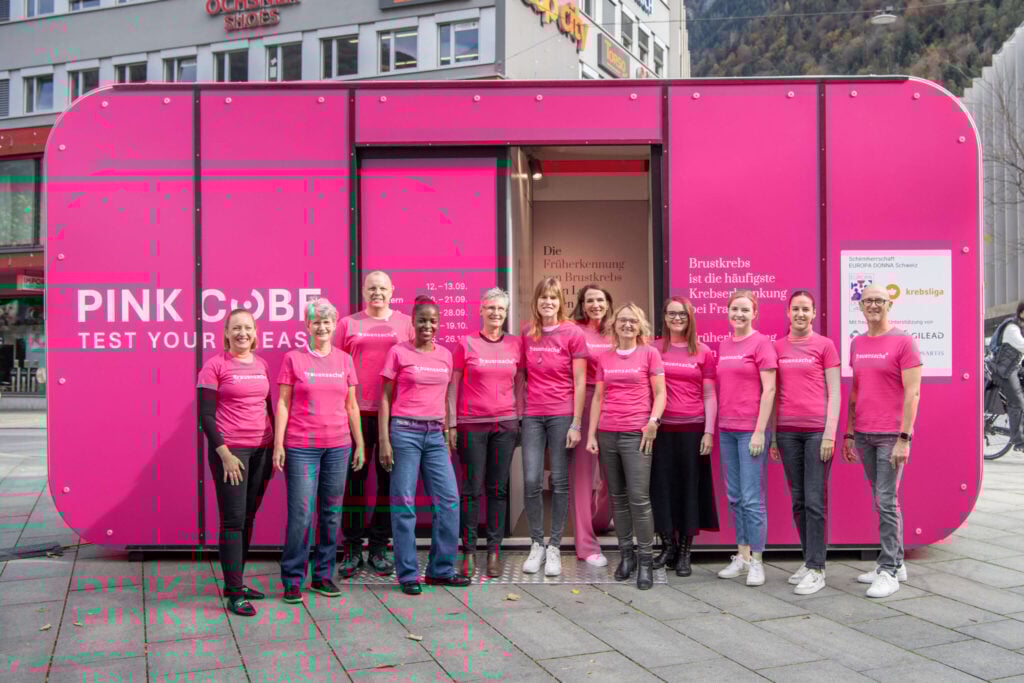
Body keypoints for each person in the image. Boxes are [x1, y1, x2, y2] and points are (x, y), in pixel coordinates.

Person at [274, 298, 365, 603]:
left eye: (327, 322)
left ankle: (323, 575)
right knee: (301, 514)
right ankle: (292, 578)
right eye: (316, 322)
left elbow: (351, 405)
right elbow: (283, 403)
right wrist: (279, 443)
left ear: (334, 324)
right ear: (307, 326)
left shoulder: (344, 360)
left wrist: (360, 443)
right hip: (301, 447)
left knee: (331, 514)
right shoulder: (294, 359)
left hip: (338, 447)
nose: (322, 327)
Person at [380, 296, 471, 595]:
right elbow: (384, 398)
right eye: (422, 320)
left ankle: (440, 571)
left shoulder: (445, 355)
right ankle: (407, 574)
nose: (427, 326)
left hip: (434, 435)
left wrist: (446, 434)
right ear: (413, 322)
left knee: (448, 502)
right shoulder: (398, 352)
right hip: (404, 432)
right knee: (404, 504)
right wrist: (384, 440)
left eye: (433, 321)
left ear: (438, 323)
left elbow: (446, 397)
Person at [842, 284, 922, 598]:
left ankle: (888, 570)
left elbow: (913, 393)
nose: (873, 305)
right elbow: (856, 391)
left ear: (889, 304)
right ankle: (895, 561)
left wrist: (905, 438)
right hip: (863, 433)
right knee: (881, 499)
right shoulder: (857, 343)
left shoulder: (904, 341)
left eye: (879, 300)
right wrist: (849, 432)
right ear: (860, 308)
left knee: (886, 501)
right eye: (867, 301)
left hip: (891, 434)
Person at [197, 309, 275, 616]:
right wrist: (224, 453)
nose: (242, 333)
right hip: (232, 454)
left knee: (248, 519)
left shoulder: (262, 364)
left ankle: (238, 582)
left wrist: (275, 444)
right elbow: (205, 415)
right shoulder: (215, 366)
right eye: (236, 328)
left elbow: (266, 406)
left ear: (255, 333)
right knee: (232, 520)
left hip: (262, 450)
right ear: (227, 333)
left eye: (248, 328)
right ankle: (233, 592)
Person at [337, 271, 412, 577]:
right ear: (364, 292)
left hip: (394, 415)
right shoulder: (347, 323)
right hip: (354, 413)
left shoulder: (406, 323)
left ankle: (380, 545)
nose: (377, 292)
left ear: (393, 290)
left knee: (387, 484)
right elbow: (337, 365)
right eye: (372, 288)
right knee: (353, 483)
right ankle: (353, 547)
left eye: (382, 287)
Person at [586, 303, 665, 590]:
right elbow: (598, 398)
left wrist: (653, 421)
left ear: (640, 325)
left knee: (639, 499)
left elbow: (660, 393)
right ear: (614, 325)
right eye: (622, 320)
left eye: (632, 320)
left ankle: (646, 561)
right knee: (617, 498)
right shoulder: (605, 358)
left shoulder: (650, 353)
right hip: (608, 433)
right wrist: (592, 435)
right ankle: (626, 556)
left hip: (637, 434)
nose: (627, 325)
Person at [447, 288, 523, 578]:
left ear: (506, 313)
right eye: (491, 308)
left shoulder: (516, 344)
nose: (495, 313)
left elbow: (520, 384)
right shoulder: (465, 343)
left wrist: (517, 418)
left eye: (501, 309)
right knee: (471, 488)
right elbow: (452, 386)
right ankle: (469, 551)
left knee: (498, 489)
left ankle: (493, 550)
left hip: (504, 425)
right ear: (481, 310)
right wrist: (452, 423)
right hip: (471, 424)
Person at [768, 290, 840, 595]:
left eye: (805, 309)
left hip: (816, 433)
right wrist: (772, 435)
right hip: (786, 433)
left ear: (813, 314)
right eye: (795, 309)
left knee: (814, 500)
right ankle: (809, 558)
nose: (800, 314)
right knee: (798, 500)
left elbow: (834, 393)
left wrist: (829, 434)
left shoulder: (825, 346)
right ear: (788, 312)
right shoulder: (777, 347)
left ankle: (817, 568)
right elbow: (771, 394)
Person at [520, 277, 588, 577]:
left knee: (560, 481)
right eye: (543, 297)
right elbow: (520, 376)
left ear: (561, 302)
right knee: (532, 479)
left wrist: (576, 422)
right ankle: (536, 543)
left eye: (554, 298)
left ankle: (555, 546)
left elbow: (581, 381)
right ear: (536, 302)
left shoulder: (572, 332)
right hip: (533, 415)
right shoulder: (526, 332)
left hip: (562, 414)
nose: (548, 302)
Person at [650, 297, 718, 578]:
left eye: (682, 314)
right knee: (662, 489)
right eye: (671, 314)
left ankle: (686, 551)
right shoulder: (654, 349)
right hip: (662, 430)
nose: (677, 318)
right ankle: (668, 546)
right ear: (664, 317)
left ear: (690, 318)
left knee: (690, 490)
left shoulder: (703, 352)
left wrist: (709, 432)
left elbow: (710, 394)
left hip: (693, 430)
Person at [715, 289, 777, 587]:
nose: (738, 314)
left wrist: (759, 431)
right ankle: (741, 556)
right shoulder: (725, 344)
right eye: (734, 309)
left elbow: (770, 390)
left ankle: (757, 561)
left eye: (744, 310)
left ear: (755, 313)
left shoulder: (762, 343)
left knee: (752, 499)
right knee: (735, 496)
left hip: (750, 431)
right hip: (726, 430)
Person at [571, 284, 615, 568]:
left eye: (600, 300)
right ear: (582, 305)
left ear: (608, 303)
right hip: (586, 402)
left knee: (614, 471)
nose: (595, 304)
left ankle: (599, 520)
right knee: (584, 476)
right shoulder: (574, 331)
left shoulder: (618, 331)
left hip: (616, 403)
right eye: (590, 300)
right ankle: (586, 545)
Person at [990, 302, 1024, 450]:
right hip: (1004, 371)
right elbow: (1021, 345)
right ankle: (1019, 442)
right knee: (1017, 402)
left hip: (1012, 368)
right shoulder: (1012, 328)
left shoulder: (1019, 327)